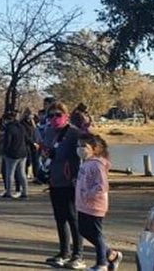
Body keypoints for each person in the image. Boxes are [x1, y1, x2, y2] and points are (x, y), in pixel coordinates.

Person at [42, 102, 85, 269]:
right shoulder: (49, 132)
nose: (54, 118)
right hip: (54, 180)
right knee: (60, 218)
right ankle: (64, 251)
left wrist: (77, 177)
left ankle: (78, 254)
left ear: (66, 116)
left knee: (73, 218)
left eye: (58, 115)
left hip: (70, 182)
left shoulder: (74, 133)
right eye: (50, 115)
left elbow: (83, 154)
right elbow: (47, 151)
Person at [76, 133, 123, 271]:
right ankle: (111, 254)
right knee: (84, 230)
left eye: (83, 146)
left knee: (96, 234)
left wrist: (88, 194)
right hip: (83, 205)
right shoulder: (86, 163)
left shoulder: (97, 165)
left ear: (94, 148)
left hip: (95, 205)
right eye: (78, 146)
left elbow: (102, 186)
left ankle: (102, 263)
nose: (80, 149)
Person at [0, 111, 30, 199]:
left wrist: (4, 151)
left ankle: (8, 192)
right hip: (23, 152)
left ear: (7, 120)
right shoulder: (21, 126)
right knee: (22, 173)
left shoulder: (9, 128)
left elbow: (7, 141)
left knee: (10, 173)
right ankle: (25, 192)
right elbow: (27, 138)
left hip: (12, 153)